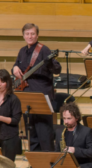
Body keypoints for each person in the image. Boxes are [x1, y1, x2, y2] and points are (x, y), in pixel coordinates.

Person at [12, 23, 61, 152]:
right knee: (31, 130)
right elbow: (16, 65)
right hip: (26, 93)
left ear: (37, 35)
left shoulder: (44, 50)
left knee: (44, 131)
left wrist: (49, 62)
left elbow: (57, 69)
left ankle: (48, 165)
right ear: (23, 35)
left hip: (41, 94)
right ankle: (35, 163)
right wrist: (14, 68)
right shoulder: (22, 51)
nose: (30, 36)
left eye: (32, 34)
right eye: (27, 34)